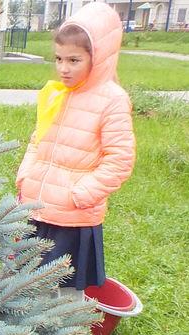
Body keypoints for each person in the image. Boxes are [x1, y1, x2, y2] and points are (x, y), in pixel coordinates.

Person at [15, 2, 135, 300]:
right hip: (38, 206)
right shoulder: (57, 94)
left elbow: (119, 159)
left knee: (68, 286)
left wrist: (81, 194)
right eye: (58, 59)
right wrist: (26, 176)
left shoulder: (111, 100)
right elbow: (37, 140)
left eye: (73, 60)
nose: (63, 69)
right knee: (33, 278)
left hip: (73, 215)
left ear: (99, 58)